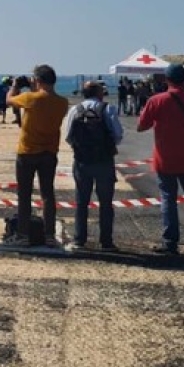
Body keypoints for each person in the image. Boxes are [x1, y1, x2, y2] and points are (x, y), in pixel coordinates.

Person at [137, 64, 184, 255]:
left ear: (166, 80)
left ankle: (170, 242)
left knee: (168, 199)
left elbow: (141, 126)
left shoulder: (157, 100)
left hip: (166, 159)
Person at [4, 64, 69, 247]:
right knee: (47, 194)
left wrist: (14, 85)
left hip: (27, 152)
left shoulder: (30, 98)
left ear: (38, 80)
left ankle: (23, 235)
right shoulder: (62, 102)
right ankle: (49, 235)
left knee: (24, 194)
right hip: (49, 152)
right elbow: (44, 103)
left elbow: (9, 100)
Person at [65, 80, 123, 251]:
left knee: (81, 202)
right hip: (104, 161)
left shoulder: (75, 110)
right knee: (106, 202)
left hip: (82, 161)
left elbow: (68, 136)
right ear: (99, 93)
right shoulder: (108, 109)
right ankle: (106, 241)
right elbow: (118, 135)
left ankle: (79, 239)